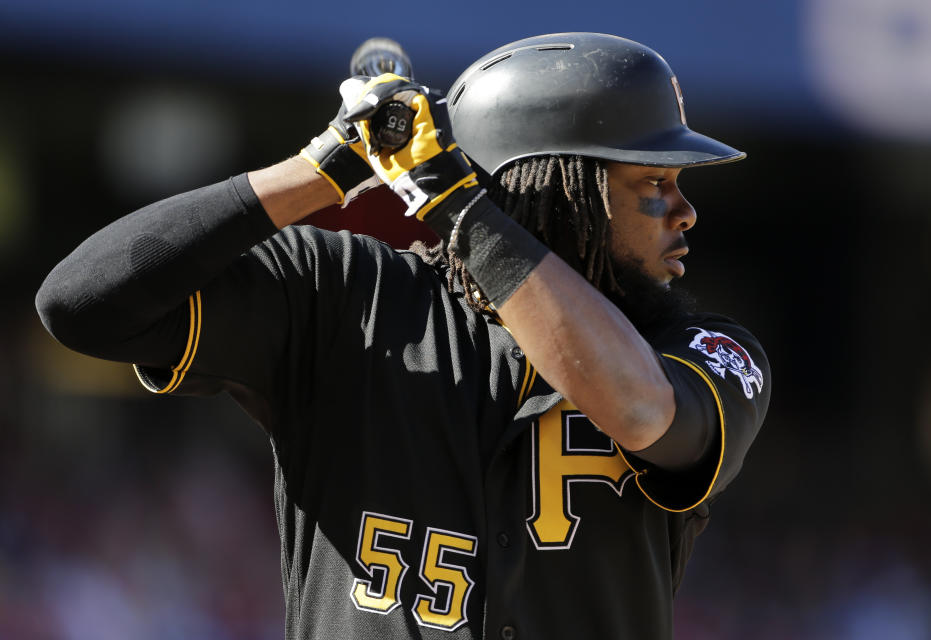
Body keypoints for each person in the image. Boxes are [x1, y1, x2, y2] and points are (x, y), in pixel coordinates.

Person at [36, 32, 770, 640]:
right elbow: (83, 303)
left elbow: (643, 411)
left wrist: (461, 210)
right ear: (557, 185)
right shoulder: (342, 291)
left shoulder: (702, 344)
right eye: (654, 184)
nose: (684, 213)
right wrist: (320, 172)